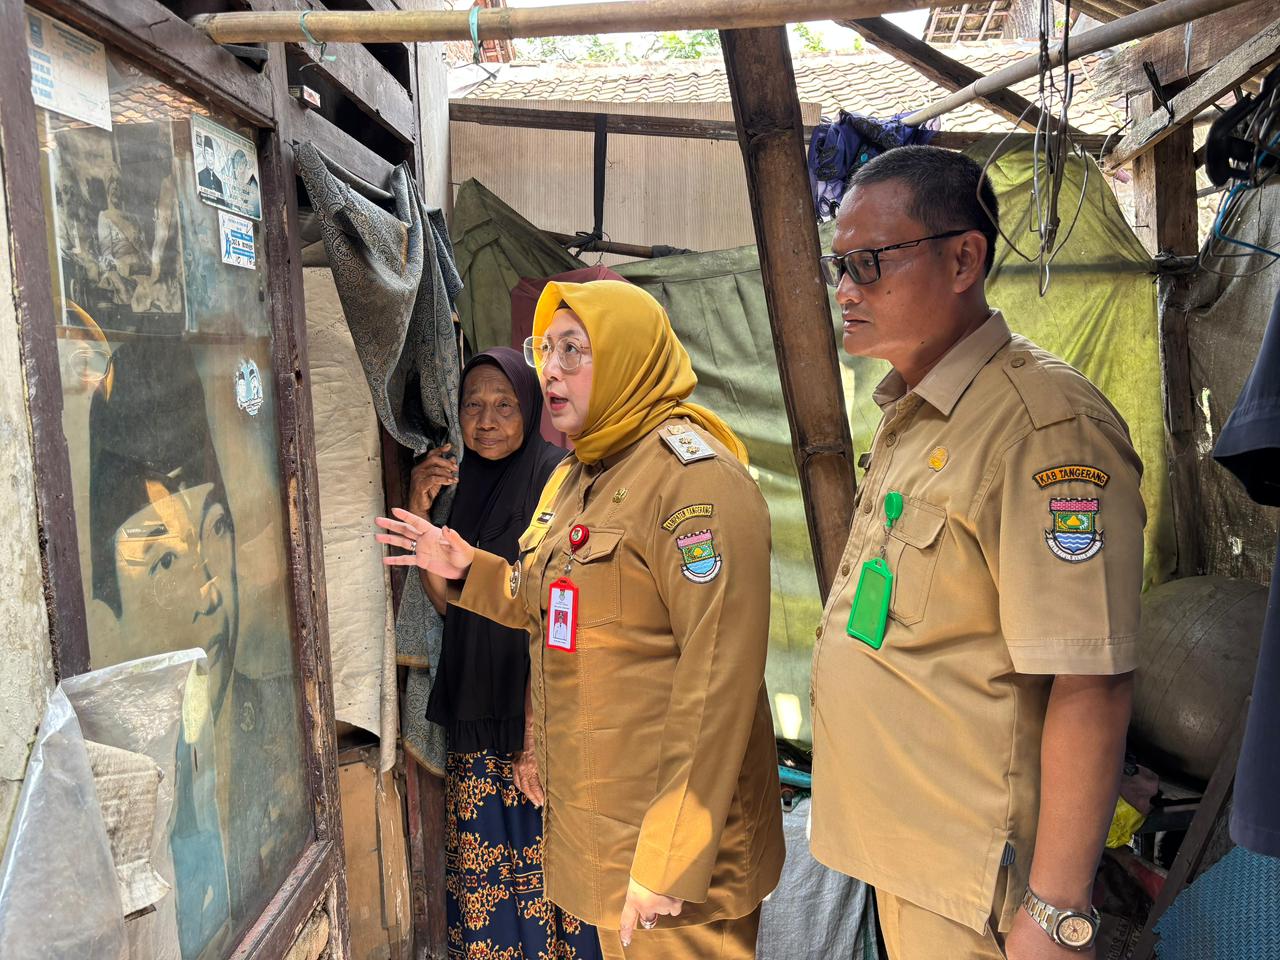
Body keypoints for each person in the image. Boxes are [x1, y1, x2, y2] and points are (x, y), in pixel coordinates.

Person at [377, 280, 784, 959]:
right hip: (602, 826)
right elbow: (558, 601)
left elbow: (717, 685)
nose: (552, 369)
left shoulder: (697, 484)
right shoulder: (582, 475)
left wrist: (668, 858)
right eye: (547, 349)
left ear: (628, 357)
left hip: (672, 857)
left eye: (575, 350)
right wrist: (468, 567)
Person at [808, 146, 1143, 959]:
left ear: (964, 259)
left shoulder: (1042, 428)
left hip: (981, 887)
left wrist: (1057, 911)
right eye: (838, 265)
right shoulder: (917, 410)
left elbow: (1089, 680)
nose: (846, 290)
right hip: (911, 858)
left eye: (870, 262)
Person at [406, 347, 601, 959]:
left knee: (550, 879)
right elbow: (449, 605)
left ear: (531, 409)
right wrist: (419, 508)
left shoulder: (556, 479)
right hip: (475, 706)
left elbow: (558, 615)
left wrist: (533, 735)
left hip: (535, 712)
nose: (485, 421)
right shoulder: (459, 484)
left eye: (503, 406)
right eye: (472, 405)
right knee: (488, 885)